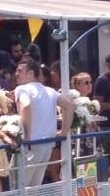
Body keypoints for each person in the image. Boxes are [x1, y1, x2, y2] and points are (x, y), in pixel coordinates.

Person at [13, 57, 72, 188]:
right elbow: (69, 105)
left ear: (30, 73)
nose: (16, 74)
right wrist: (64, 132)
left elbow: (26, 105)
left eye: (20, 71)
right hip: (47, 145)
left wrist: (27, 136)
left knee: (17, 188)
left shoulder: (22, 89)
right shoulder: (50, 91)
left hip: (30, 146)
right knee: (35, 187)